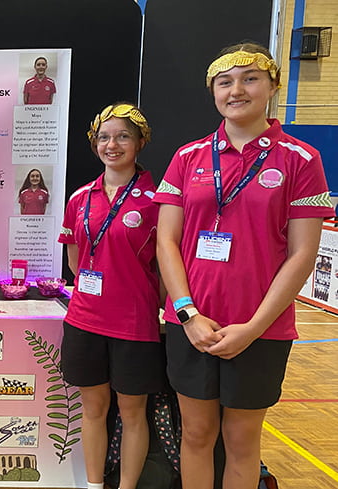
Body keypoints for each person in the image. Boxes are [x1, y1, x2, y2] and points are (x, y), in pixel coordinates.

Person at [154, 42, 333, 489]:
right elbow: (166, 241)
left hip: (261, 330)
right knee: (195, 434)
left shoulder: (301, 159)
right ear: (213, 91)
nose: (237, 90)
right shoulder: (187, 157)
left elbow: (302, 255)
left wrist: (253, 327)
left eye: (250, 78)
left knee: (241, 440)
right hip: (192, 325)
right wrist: (187, 314)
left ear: (272, 85)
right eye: (225, 82)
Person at [58, 103, 163, 489]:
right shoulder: (80, 198)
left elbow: (166, 263)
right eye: (103, 137)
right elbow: (75, 262)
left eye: (122, 136)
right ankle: (93, 484)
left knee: (132, 412)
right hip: (85, 319)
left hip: (134, 324)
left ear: (140, 142)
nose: (112, 145)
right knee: (93, 409)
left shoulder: (159, 200)